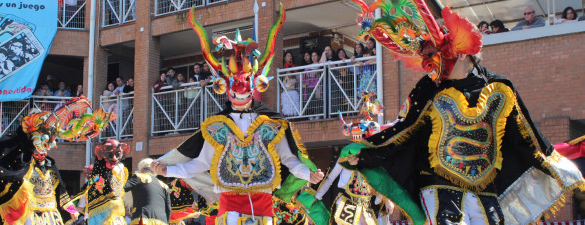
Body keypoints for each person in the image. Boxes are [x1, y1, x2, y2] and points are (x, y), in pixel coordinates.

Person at [347, 1, 584, 224]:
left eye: (433, 55)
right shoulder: (428, 88)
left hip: (484, 188)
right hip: (438, 185)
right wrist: (368, 153)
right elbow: (403, 129)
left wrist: (555, 164)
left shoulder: (500, 87)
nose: (428, 63)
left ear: (461, 52)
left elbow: (525, 137)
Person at [151, 6, 324, 225]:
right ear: (224, 87)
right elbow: (201, 162)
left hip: (263, 203)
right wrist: (168, 170)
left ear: (255, 86)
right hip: (230, 204)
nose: (240, 93)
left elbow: (290, 160)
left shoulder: (271, 125)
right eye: (235, 89)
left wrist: (309, 175)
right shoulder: (217, 127)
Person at [0, 98, 114, 225]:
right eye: (43, 141)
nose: (45, 149)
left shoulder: (50, 165)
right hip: (28, 213)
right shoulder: (19, 163)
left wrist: (70, 208)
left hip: (50, 215)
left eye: (50, 143)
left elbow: (60, 190)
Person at [76, 139, 130, 225]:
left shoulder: (121, 169)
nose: (114, 158)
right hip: (101, 213)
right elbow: (90, 187)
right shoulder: (99, 173)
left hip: (116, 212)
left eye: (117, 154)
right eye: (110, 154)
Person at [124, 158, 171, 225]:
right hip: (162, 222)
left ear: (142, 170)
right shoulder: (164, 186)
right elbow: (168, 210)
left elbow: (121, 188)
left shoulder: (139, 177)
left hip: (145, 219)